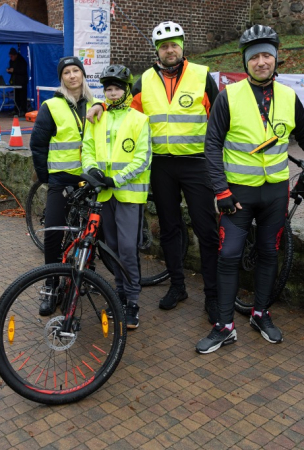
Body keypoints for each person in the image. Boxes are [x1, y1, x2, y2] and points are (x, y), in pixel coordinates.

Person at [196, 25, 304, 354]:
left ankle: (261, 314)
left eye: (267, 56)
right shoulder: (228, 96)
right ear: (245, 62)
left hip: (275, 192)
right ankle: (224, 325)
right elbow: (211, 146)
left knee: (267, 253)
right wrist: (220, 189)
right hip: (236, 194)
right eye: (255, 57)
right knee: (229, 255)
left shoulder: (290, 97)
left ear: (276, 59)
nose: (262, 62)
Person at [128, 21, 220, 323]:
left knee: (206, 230)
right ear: (157, 50)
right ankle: (178, 286)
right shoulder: (143, 81)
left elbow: (219, 124)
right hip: (161, 166)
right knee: (169, 229)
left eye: (174, 44)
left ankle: (213, 295)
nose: (170, 50)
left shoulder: (203, 76)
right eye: (164, 46)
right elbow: (131, 120)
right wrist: (102, 107)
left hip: (197, 164)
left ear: (182, 45)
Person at [30, 57, 104, 316]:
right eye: (67, 72)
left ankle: (86, 274)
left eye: (76, 71)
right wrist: (46, 177)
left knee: (91, 231)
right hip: (60, 178)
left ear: (83, 75)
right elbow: (38, 145)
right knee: (53, 232)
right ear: (61, 78)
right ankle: (50, 285)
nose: (72, 76)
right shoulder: (51, 105)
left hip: (88, 178)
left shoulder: (96, 104)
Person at [81, 65, 151, 329]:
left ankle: (132, 301)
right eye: (108, 89)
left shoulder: (139, 119)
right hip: (104, 193)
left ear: (126, 89)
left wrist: (116, 179)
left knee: (128, 250)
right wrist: (92, 171)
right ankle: (120, 295)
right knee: (111, 248)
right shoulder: (97, 116)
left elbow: (142, 158)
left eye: (117, 88)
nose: (112, 93)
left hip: (129, 194)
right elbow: (87, 148)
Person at [7, 47, 29, 117]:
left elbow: (23, 71)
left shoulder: (22, 61)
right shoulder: (11, 61)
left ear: (15, 55)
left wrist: (14, 70)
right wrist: (9, 70)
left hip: (22, 82)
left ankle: (23, 110)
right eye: (10, 56)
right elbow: (12, 70)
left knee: (22, 97)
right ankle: (16, 109)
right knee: (16, 97)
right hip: (15, 82)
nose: (11, 58)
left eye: (12, 56)